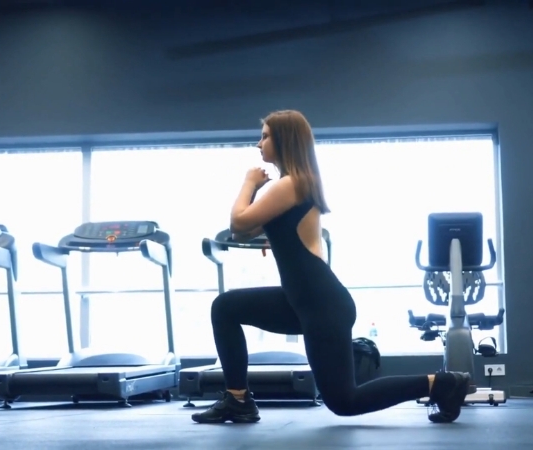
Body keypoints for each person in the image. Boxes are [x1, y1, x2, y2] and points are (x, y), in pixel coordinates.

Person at [191, 110, 470, 425]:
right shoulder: (293, 186)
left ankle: (442, 384)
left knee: (344, 401)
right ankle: (238, 399)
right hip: (301, 301)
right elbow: (242, 231)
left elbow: (238, 222)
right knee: (226, 307)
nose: (259, 144)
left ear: (285, 139)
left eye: (266, 136)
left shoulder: (290, 184)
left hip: (321, 305)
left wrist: (249, 181)